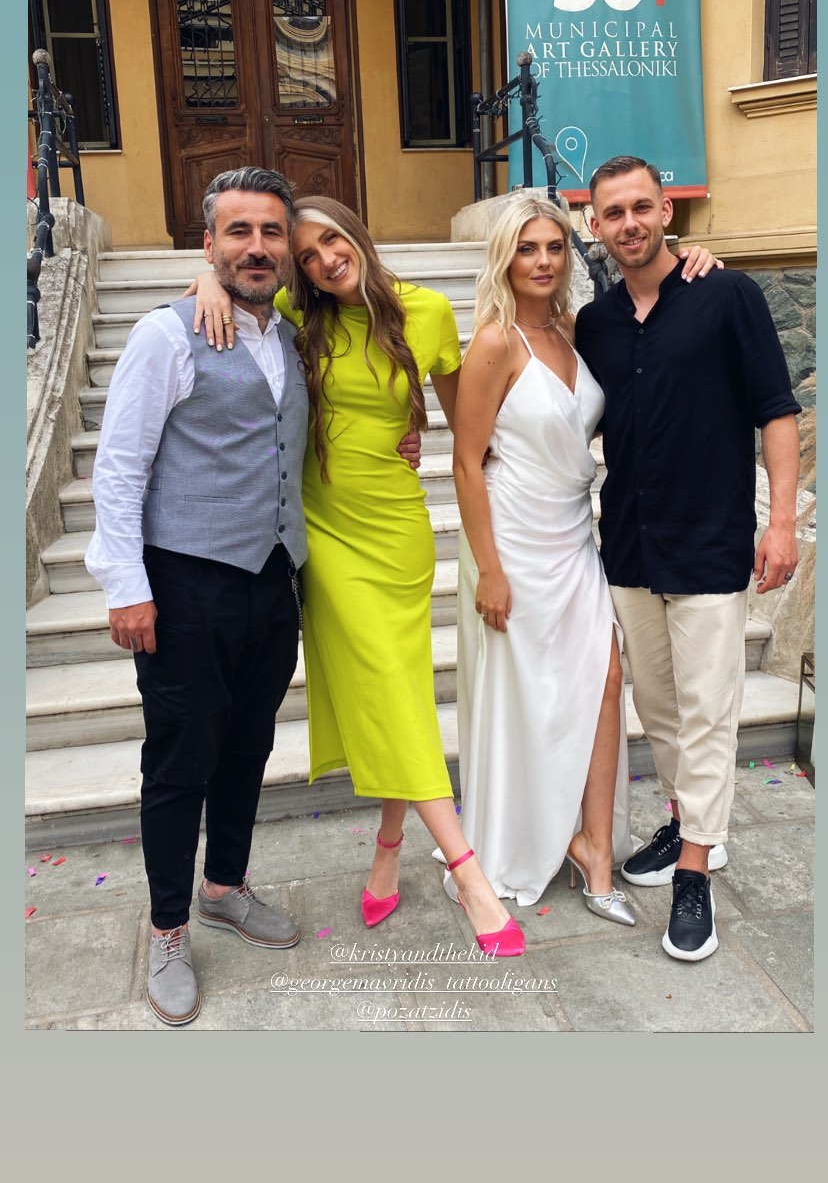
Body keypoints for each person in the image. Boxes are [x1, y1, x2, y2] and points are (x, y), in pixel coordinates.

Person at [191, 197, 525, 958]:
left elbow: (466, 431)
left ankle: (389, 845)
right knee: (388, 690)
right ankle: (469, 875)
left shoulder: (427, 312)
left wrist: (423, 433)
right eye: (305, 255)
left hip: (397, 530)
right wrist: (206, 281)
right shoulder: (294, 311)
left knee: (396, 690)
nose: (322, 262)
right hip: (327, 533)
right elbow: (230, 277)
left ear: (357, 235)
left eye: (331, 242)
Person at [86, 167, 309, 1025]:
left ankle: (224, 886)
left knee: (249, 743)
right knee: (180, 759)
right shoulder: (165, 335)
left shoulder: (292, 335)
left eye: (271, 232)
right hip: (184, 581)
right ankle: (168, 928)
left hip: (271, 577)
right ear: (208, 243)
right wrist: (126, 587)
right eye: (238, 232)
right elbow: (120, 466)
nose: (257, 247)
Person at [577, 155, 801, 962]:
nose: (630, 223)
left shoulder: (727, 295)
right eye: (613, 213)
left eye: (642, 207)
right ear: (595, 226)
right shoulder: (595, 323)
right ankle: (687, 821)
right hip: (631, 542)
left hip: (710, 538)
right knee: (661, 706)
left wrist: (782, 523)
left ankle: (696, 870)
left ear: (666, 210)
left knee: (707, 709)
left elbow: (776, 411)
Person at [451, 196, 638, 923]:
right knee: (527, 694)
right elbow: (466, 462)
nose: (543, 261)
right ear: (505, 257)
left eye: (555, 247)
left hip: (571, 532)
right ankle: (543, 835)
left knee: (605, 676)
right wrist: (490, 570)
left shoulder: (571, 329)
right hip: (514, 537)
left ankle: (595, 845)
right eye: (527, 248)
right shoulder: (495, 342)